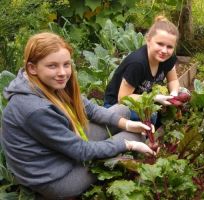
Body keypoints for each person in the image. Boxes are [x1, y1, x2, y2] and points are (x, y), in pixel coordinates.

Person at [0, 32, 156, 199]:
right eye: (52, 66)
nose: (62, 72)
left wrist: (127, 124)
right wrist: (128, 145)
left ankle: (121, 139)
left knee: (122, 112)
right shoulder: (35, 109)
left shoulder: (48, 82)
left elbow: (91, 109)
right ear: (32, 68)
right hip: (54, 178)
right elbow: (82, 151)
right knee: (136, 137)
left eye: (66, 64)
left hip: (60, 150)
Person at [104, 16, 181, 125]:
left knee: (182, 95)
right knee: (151, 116)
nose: (164, 50)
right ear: (148, 40)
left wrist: (173, 94)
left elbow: (173, 80)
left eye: (169, 47)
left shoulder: (168, 58)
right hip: (116, 106)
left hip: (144, 100)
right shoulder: (137, 64)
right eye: (160, 44)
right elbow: (123, 98)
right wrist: (155, 98)